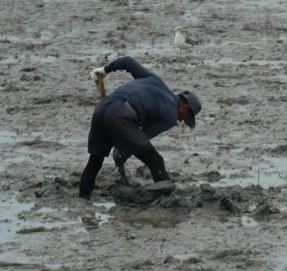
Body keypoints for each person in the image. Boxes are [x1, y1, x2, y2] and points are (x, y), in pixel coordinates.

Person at [79, 56, 201, 199]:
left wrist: (105, 70)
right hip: (122, 115)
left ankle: (83, 202)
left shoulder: (155, 80)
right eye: (186, 117)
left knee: (95, 162)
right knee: (156, 161)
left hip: (102, 108)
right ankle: (168, 202)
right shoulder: (171, 116)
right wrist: (122, 152)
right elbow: (143, 136)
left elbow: (127, 61)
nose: (182, 120)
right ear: (185, 108)